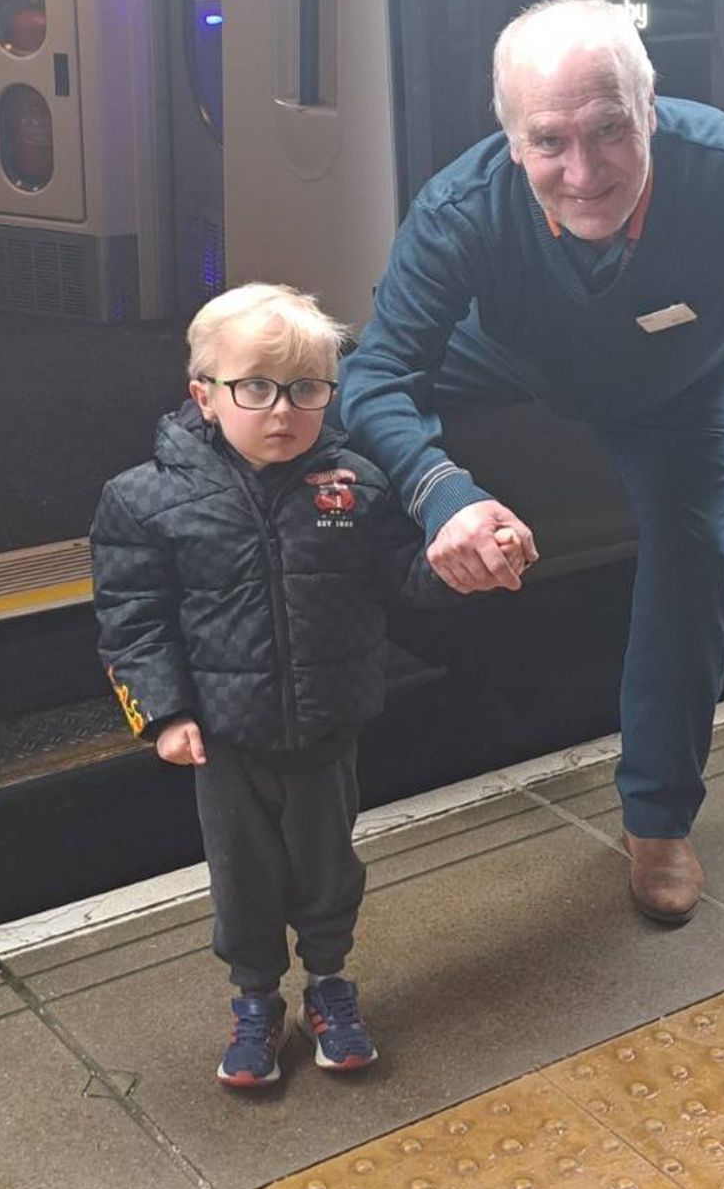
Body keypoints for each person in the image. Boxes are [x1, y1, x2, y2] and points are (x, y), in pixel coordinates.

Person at [339, 0, 724, 927]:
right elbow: (380, 371)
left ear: (651, 105)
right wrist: (443, 493)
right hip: (508, 349)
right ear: (510, 143)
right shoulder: (463, 208)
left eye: (611, 128)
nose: (583, 171)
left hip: (680, 383)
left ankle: (659, 820)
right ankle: (355, 627)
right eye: (549, 142)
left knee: (694, 564)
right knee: (335, 401)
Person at [90, 282, 455, 1091]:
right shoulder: (145, 499)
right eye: (254, 387)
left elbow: (400, 575)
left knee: (330, 868)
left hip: (327, 727)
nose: (282, 409)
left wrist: (452, 565)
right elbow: (131, 616)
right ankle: (256, 998)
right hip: (225, 734)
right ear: (204, 397)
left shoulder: (357, 485)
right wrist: (162, 712)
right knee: (243, 876)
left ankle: (330, 983)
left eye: (306, 389)